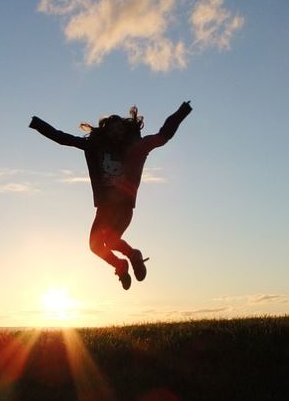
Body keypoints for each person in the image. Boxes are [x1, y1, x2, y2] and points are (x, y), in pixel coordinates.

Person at [29, 101, 192, 290]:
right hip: (105, 208)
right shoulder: (94, 147)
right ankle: (121, 265)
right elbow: (63, 138)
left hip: (123, 207)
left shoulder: (137, 147)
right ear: (105, 132)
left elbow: (163, 136)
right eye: (112, 129)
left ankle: (133, 256)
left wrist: (182, 112)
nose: (117, 133)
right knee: (96, 246)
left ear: (126, 131)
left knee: (112, 241)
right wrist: (37, 124)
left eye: (120, 129)